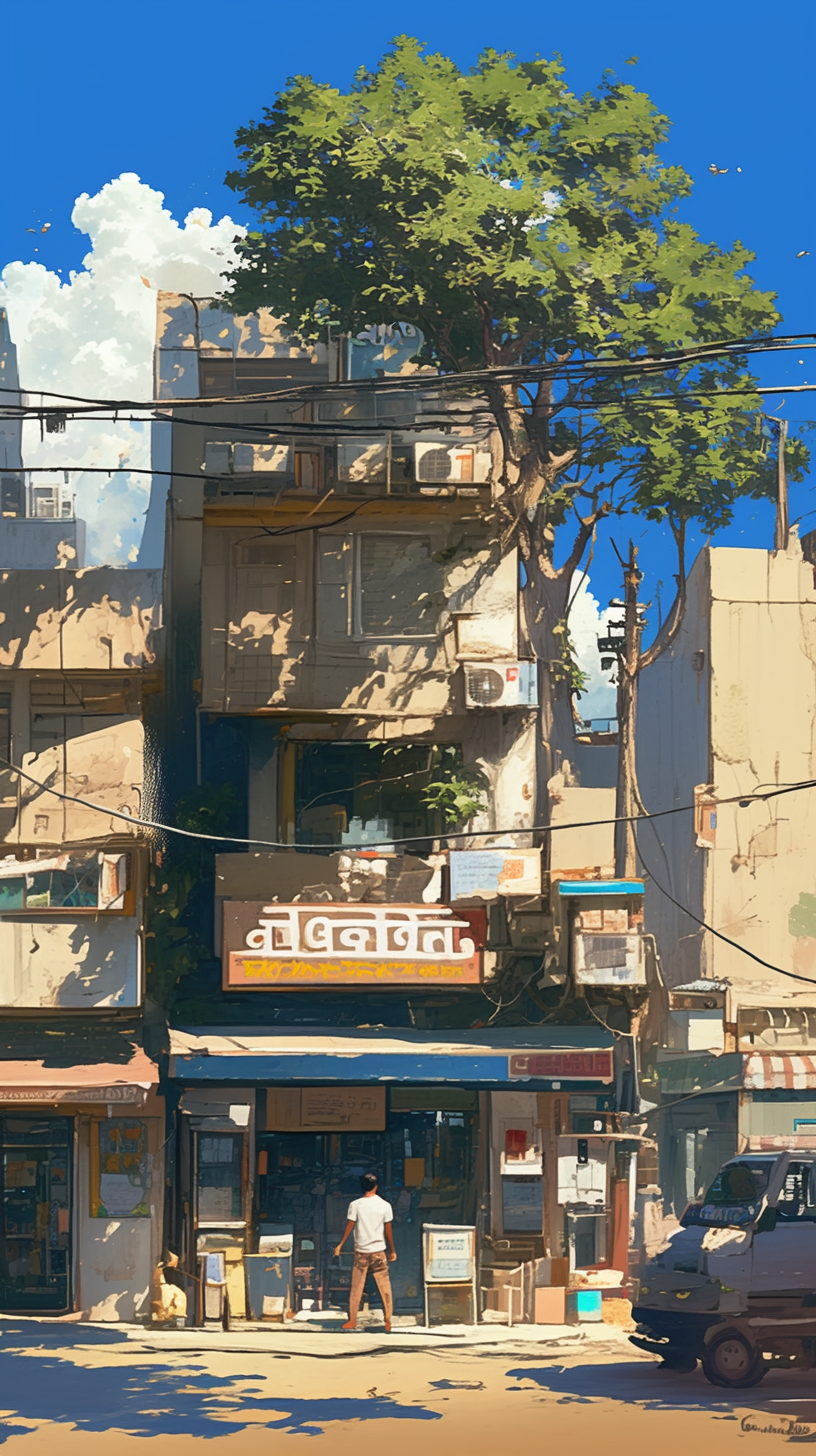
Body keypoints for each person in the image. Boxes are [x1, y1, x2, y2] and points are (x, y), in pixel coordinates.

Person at [334, 1171, 396, 1332]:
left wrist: (340, 1245)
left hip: (361, 1251)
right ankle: (388, 1320)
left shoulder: (356, 1205)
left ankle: (352, 1320)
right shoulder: (385, 1206)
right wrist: (392, 1251)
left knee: (356, 1287)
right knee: (385, 1288)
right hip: (379, 1251)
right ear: (376, 1186)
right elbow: (388, 1231)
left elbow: (349, 1226)